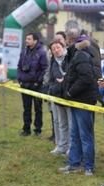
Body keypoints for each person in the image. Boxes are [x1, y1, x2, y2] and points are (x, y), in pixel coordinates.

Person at [59, 27, 96, 175]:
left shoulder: (80, 54)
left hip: (83, 101)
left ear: (68, 40)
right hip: (76, 100)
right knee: (75, 134)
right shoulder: (77, 53)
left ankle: (89, 167)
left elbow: (86, 77)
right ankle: (74, 163)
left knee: (85, 136)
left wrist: (70, 91)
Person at [17, 33, 49, 137]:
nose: (26, 40)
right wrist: (20, 80)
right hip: (24, 85)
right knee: (26, 108)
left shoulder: (42, 53)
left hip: (36, 86)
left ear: (35, 40)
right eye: (26, 38)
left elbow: (45, 69)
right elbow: (19, 67)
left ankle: (37, 130)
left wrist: (38, 82)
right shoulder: (23, 52)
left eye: (29, 39)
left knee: (38, 109)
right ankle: (26, 130)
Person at [65, 20, 103, 105]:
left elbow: (95, 66)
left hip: (87, 91)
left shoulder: (85, 45)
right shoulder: (78, 47)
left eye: (66, 31)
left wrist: (97, 88)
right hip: (82, 92)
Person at [47, 39, 71, 156]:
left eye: (58, 47)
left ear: (64, 47)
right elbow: (51, 78)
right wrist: (52, 90)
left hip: (70, 97)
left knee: (71, 124)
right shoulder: (53, 61)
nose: (56, 50)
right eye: (53, 49)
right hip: (57, 97)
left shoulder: (70, 58)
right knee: (61, 123)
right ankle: (61, 146)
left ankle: (71, 148)